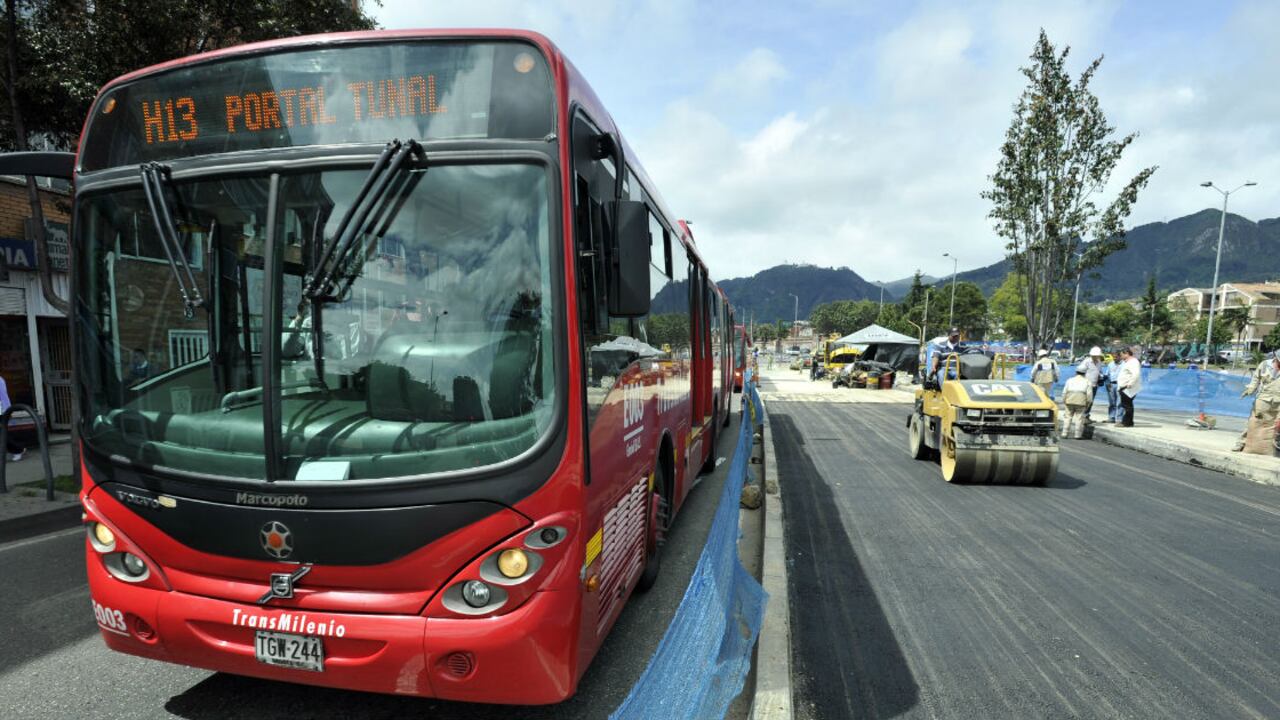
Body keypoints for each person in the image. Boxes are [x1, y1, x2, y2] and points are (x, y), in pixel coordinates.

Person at [1235, 350, 1280, 452]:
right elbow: (1256, 379)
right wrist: (1250, 389)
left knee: (1277, 425)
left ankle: (1274, 447)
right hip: (1264, 398)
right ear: (1276, 358)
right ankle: (1241, 442)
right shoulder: (1264, 365)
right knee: (1254, 422)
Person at [1061, 366, 1093, 438]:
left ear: (1076, 372)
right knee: (1079, 418)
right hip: (1081, 401)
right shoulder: (1087, 381)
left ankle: (1064, 433)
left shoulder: (1070, 380)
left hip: (1069, 400)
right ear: (1085, 373)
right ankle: (1077, 435)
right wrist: (1088, 402)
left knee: (1067, 417)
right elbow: (1089, 394)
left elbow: (1064, 392)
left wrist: (1064, 400)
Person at [1116, 346, 1143, 427]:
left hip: (1128, 387)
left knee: (1127, 405)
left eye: (1121, 355)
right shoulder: (1128, 362)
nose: (1120, 356)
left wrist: (1130, 383)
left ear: (1127, 353)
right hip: (1125, 386)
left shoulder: (1133, 362)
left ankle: (1127, 422)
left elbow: (1136, 374)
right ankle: (1128, 422)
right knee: (1126, 405)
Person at [1076, 347, 1105, 422]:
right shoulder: (1086, 361)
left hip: (1094, 385)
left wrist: (1101, 377)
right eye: (1094, 356)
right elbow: (1079, 371)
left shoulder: (1099, 362)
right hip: (1086, 385)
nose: (1095, 357)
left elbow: (1100, 371)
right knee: (1085, 401)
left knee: (1091, 401)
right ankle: (1082, 416)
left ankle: (1086, 416)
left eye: (1097, 356)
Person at [0, 373, 23, 462]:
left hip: (1, 409)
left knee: (2, 434)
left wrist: (8, 410)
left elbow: (3, 396)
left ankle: (17, 450)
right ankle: (17, 449)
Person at [1103, 353, 1123, 423]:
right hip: (1111, 385)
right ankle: (1111, 417)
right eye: (1113, 357)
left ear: (1120, 357)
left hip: (1120, 385)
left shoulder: (1124, 364)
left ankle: (1119, 419)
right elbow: (1107, 374)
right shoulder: (1110, 364)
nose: (1114, 358)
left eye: (1116, 357)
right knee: (1112, 402)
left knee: (1120, 403)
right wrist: (1107, 383)